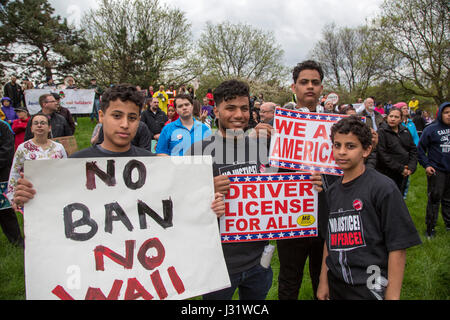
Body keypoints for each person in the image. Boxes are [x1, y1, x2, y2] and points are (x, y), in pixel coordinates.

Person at [11, 84, 225, 228]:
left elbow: (180, 205)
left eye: (132, 117)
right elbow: (55, 217)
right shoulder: (75, 164)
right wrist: (32, 199)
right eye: (116, 115)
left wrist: (208, 202)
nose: (125, 124)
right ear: (101, 116)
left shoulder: (154, 164)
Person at [316, 116, 421, 300]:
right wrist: (323, 280)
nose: (341, 152)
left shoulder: (383, 188)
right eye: (337, 145)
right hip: (337, 282)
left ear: (366, 150)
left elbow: (398, 246)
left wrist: (393, 296)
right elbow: (329, 238)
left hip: (370, 285)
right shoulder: (332, 191)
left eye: (350, 146)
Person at [189, 79, 275, 300]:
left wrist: (308, 184)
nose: (239, 114)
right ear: (216, 110)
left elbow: (279, 189)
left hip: (259, 261)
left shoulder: (262, 148)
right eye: (231, 108)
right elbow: (182, 206)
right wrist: (207, 189)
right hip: (217, 263)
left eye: (244, 108)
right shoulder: (198, 151)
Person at [277, 60, 328, 300]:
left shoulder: (335, 124)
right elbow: (265, 170)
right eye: (304, 82)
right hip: (291, 214)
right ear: (294, 87)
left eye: (315, 83)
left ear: (321, 88)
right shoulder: (278, 125)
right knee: (289, 279)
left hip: (326, 213)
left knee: (325, 279)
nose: (310, 86)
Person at [7, 112, 68, 208]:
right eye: (36, 123)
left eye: (43, 123)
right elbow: (15, 173)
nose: (39, 125)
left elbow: (66, 169)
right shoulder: (23, 148)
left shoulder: (59, 147)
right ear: (31, 128)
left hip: (55, 192)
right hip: (31, 194)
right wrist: (13, 197)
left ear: (49, 128)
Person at [417, 102, 450, 238]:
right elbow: (420, 150)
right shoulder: (431, 129)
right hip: (437, 170)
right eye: (446, 112)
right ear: (440, 114)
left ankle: (449, 224)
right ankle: (430, 228)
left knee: (449, 200)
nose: (449, 115)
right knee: (434, 199)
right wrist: (427, 165)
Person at [376, 108, 418, 194]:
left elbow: (413, 149)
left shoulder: (405, 131)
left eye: (396, 117)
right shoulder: (381, 132)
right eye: (391, 116)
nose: (393, 119)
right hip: (387, 173)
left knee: (400, 197)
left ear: (401, 119)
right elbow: (382, 154)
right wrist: (400, 168)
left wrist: (411, 167)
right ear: (387, 117)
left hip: (403, 174)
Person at [0, 118, 24, 247]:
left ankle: (16, 241)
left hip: (2, 175)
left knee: (5, 211)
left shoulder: (3, 127)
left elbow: (7, 151)